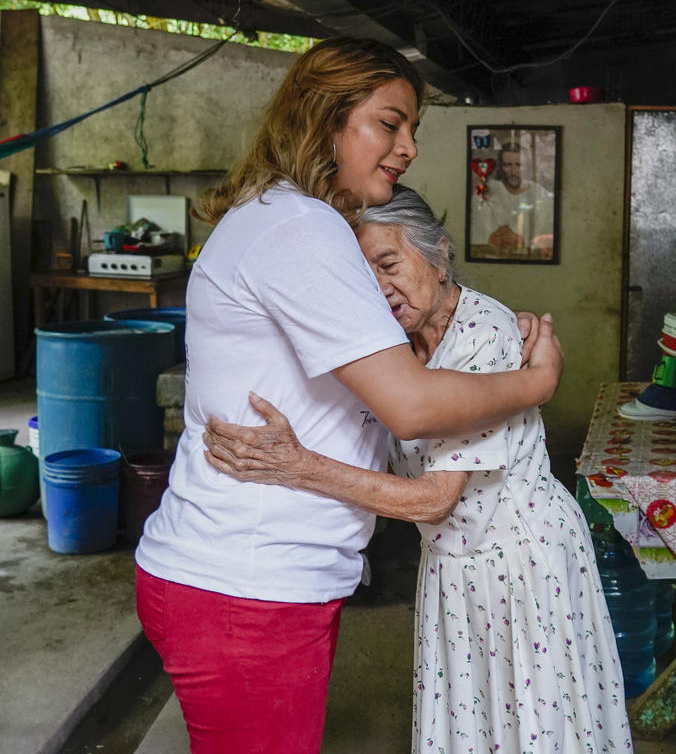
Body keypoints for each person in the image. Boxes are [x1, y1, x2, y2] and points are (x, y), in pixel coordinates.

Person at [133, 37, 563, 754]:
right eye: (389, 124)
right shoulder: (301, 226)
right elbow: (411, 406)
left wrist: (481, 338)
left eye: (413, 129)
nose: (409, 148)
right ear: (324, 118)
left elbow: (389, 375)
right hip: (250, 580)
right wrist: (536, 381)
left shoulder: (286, 219)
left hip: (263, 576)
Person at [204, 187, 633, 752]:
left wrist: (297, 466)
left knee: (534, 727)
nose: (380, 288)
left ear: (439, 253)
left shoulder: (484, 334)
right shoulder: (392, 346)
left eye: (389, 264)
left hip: (520, 561)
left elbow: (434, 499)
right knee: (476, 727)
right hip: (453, 563)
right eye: (363, 276)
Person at [470, 142, 555, 256]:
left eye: (519, 165)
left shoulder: (542, 197)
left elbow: (546, 241)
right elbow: (476, 234)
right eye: (508, 165)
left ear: (528, 167)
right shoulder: (486, 193)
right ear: (501, 167)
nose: (513, 171)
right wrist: (491, 240)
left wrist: (521, 242)